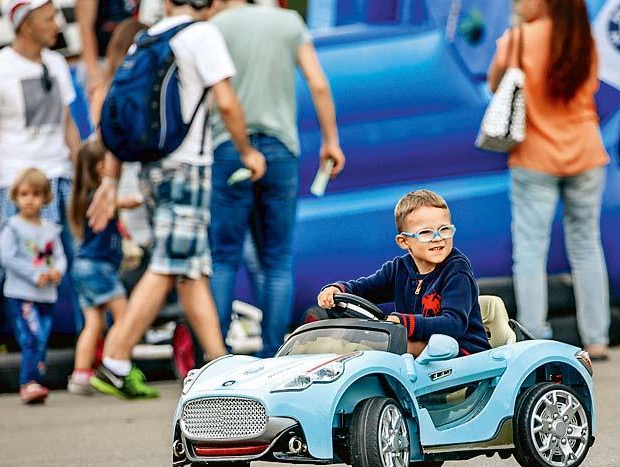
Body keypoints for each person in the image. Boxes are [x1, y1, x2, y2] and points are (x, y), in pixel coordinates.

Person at [86, 0, 266, 399]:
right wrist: (247, 151)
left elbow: (120, 113)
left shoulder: (147, 38)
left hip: (151, 168)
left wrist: (111, 180)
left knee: (191, 269)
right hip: (187, 168)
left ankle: (219, 365)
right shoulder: (202, 34)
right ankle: (115, 360)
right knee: (169, 265)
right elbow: (226, 100)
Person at [209, 0, 345, 358]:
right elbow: (318, 83)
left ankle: (215, 354)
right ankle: (273, 353)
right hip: (280, 148)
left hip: (229, 146)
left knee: (223, 258)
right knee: (278, 258)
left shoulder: (216, 26)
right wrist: (330, 140)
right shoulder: (289, 23)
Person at [487, 0, 611, 361]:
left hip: (534, 156)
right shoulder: (583, 37)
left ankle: (534, 337)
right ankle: (597, 338)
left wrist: (515, 31)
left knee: (529, 249)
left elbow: (495, 85)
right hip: (586, 151)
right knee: (587, 244)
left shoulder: (517, 38)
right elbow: (591, 85)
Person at [0, 0, 81, 329]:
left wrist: (82, 175)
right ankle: (25, 345)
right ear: (26, 24)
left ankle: (88, 341)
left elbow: (68, 125)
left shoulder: (57, 63)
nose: (57, 24)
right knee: (24, 270)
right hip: (19, 186)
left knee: (79, 262)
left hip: (61, 179)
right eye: (48, 18)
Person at [317, 190, 490, 357]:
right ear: (403, 241)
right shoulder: (398, 269)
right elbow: (364, 289)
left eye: (444, 229)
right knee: (361, 344)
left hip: (464, 353)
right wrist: (337, 290)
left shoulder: (457, 270)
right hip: (425, 351)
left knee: (393, 346)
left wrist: (403, 322)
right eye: (425, 233)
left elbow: (454, 324)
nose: (438, 238)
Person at [67, 139, 142, 394]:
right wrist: (138, 198)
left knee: (93, 324)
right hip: (98, 267)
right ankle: (113, 366)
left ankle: (80, 376)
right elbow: (123, 202)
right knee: (125, 317)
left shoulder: (82, 197)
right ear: (102, 167)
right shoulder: (99, 197)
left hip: (83, 267)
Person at [0, 169, 67, 404]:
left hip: (46, 295)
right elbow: (7, 258)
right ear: (15, 196)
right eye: (24, 194)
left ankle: (37, 380)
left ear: (45, 197)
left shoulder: (50, 228)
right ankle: (28, 382)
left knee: (42, 338)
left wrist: (57, 271)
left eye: (36, 194)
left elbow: (60, 257)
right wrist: (35, 274)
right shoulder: (13, 226)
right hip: (22, 294)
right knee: (31, 337)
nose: (30, 199)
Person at [75, 0, 140, 106]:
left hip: (128, 59)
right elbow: (85, 28)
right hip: (101, 61)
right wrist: (94, 74)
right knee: (101, 108)